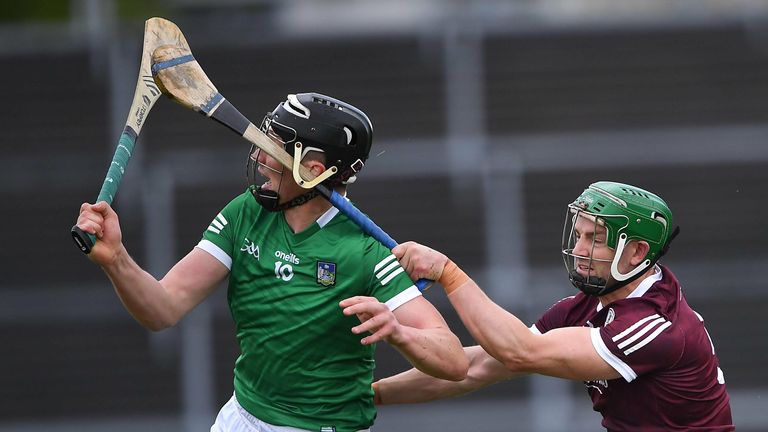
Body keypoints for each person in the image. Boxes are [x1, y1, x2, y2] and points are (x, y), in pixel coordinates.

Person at [75, 92, 468, 432]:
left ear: (314, 170)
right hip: (243, 416)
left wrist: (398, 331)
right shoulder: (247, 213)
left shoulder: (363, 252)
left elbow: (452, 360)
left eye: (277, 146)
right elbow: (162, 308)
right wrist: (116, 259)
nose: (261, 157)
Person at [375, 181, 734, 431]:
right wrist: (368, 395)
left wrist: (448, 274)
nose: (579, 250)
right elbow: (476, 367)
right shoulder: (585, 308)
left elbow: (518, 352)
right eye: (579, 235)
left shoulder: (655, 327)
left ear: (637, 252)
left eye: (595, 239)